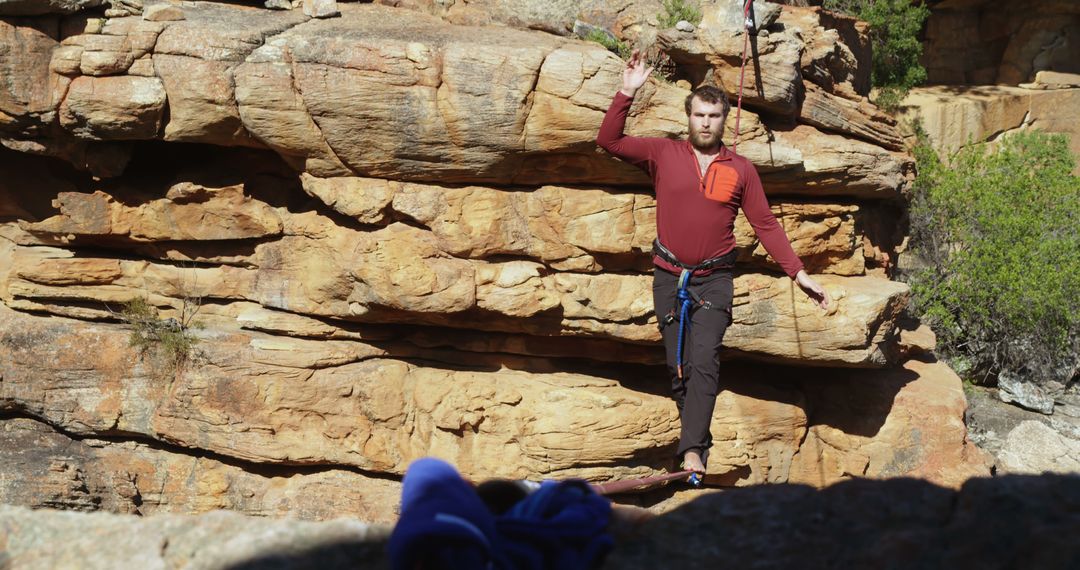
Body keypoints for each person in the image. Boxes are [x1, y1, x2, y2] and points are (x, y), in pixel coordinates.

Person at [596, 51, 830, 475]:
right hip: (669, 276)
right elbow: (608, 141)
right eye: (700, 115)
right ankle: (696, 441)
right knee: (679, 366)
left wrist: (798, 272)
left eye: (714, 116)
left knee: (705, 361)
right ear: (689, 117)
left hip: (714, 280)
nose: (706, 122)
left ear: (725, 120)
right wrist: (626, 91)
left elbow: (765, 224)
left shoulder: (741, 169)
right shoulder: (662, 154)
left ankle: (691, 453)